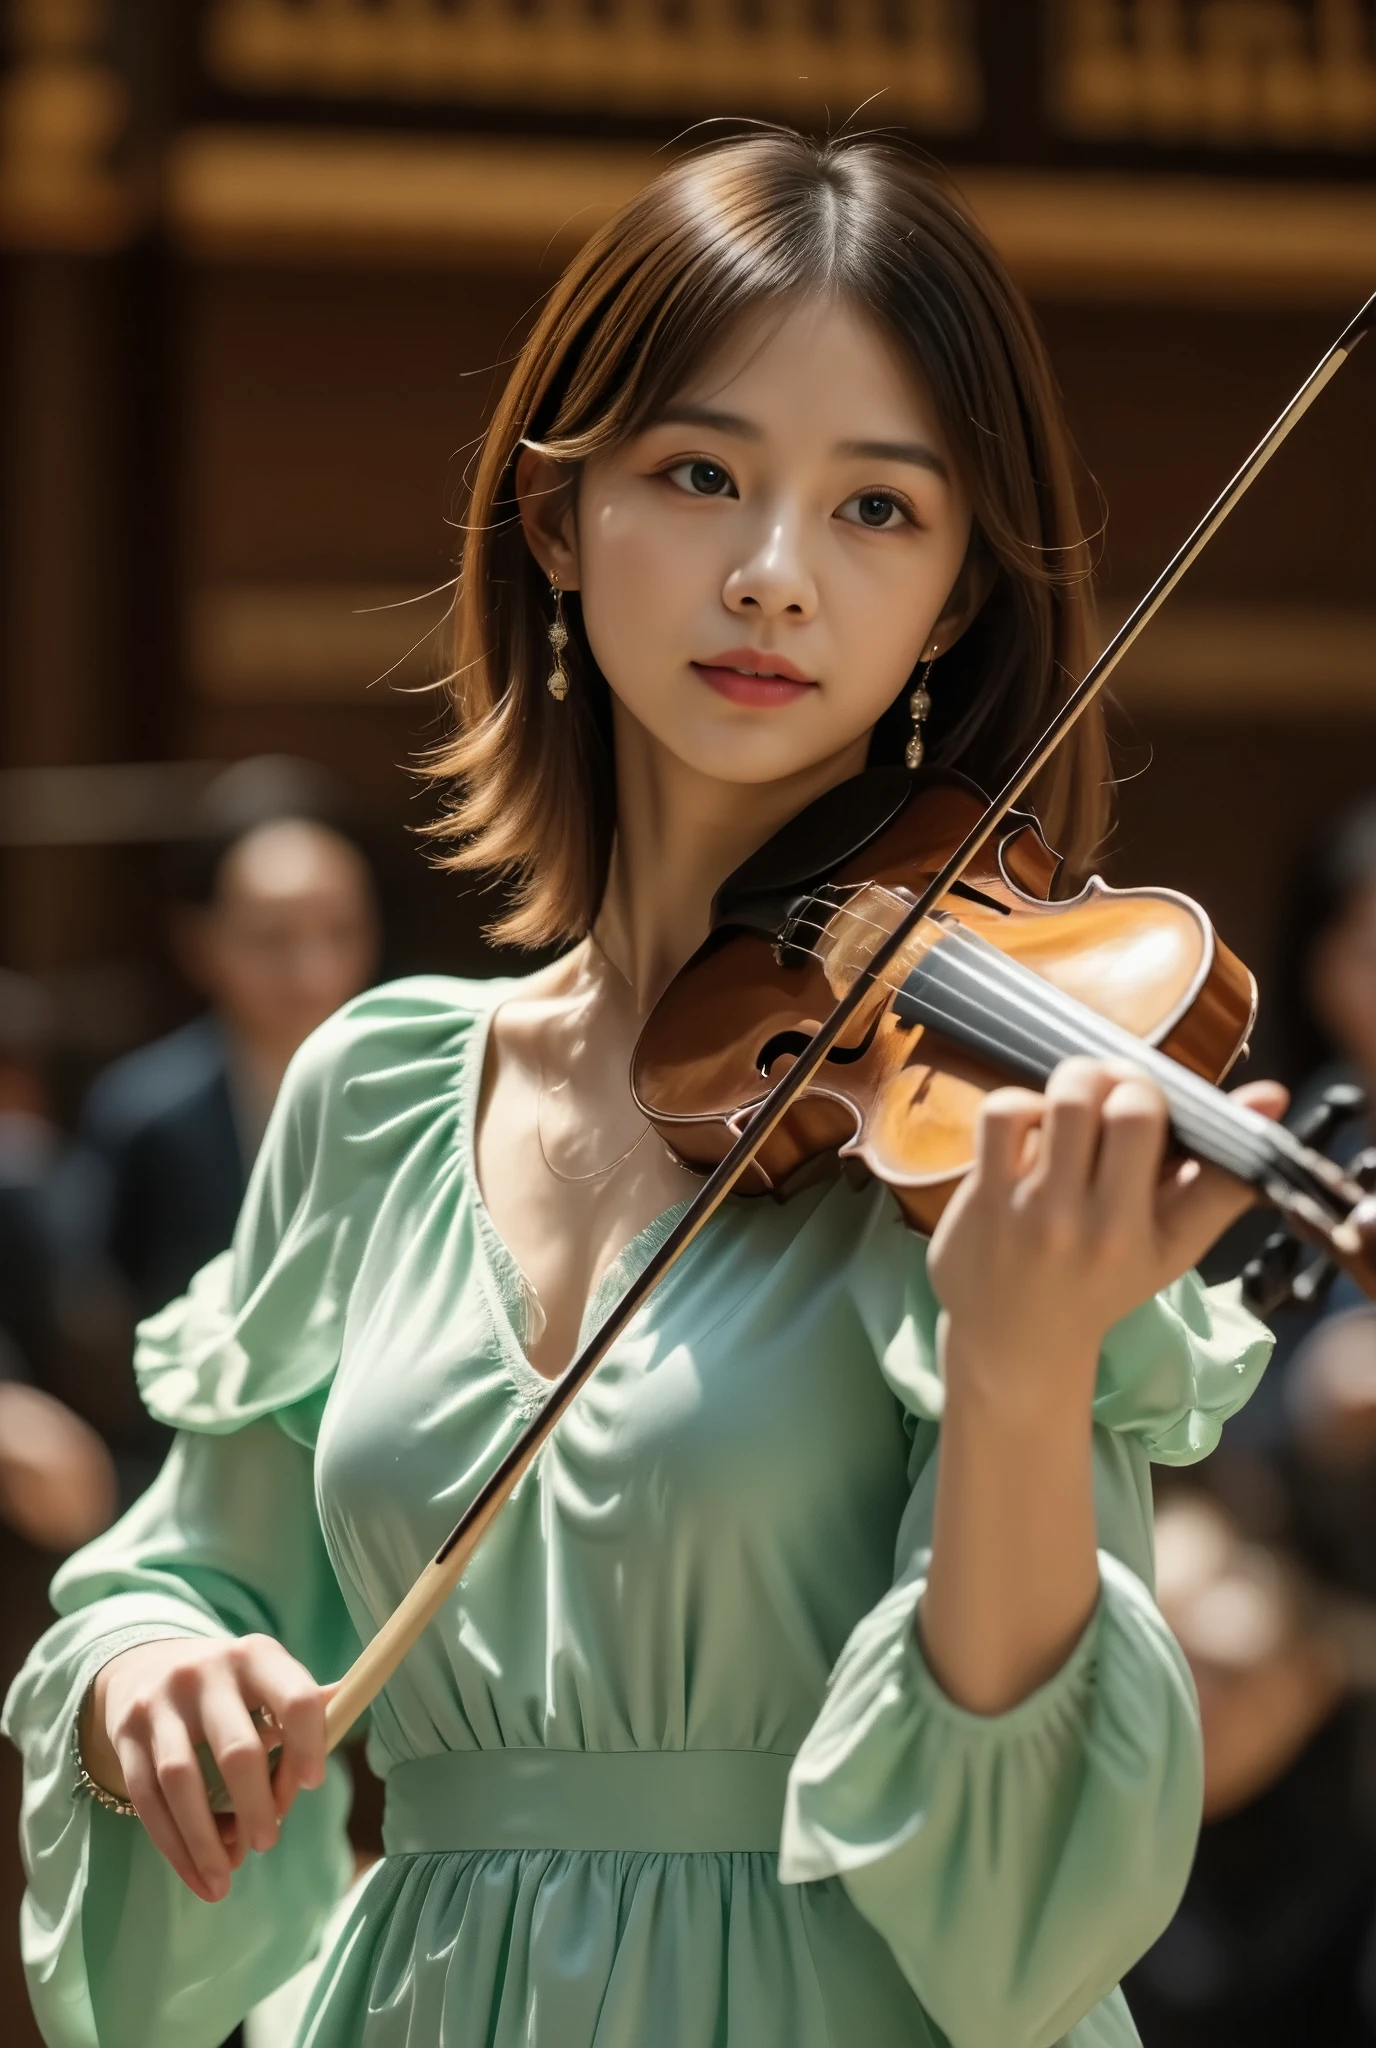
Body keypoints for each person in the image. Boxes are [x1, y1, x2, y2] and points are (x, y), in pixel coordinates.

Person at [5, 132, 1286, 2048]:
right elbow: (191, 1555)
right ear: (554, 514)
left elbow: (1024, 1930)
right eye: (700, 477)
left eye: (877, 511)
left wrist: (1019, 1370)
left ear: (949, 597)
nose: (773, 577)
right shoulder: (374, 1088)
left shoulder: (975, 1136)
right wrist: (145, 1665)